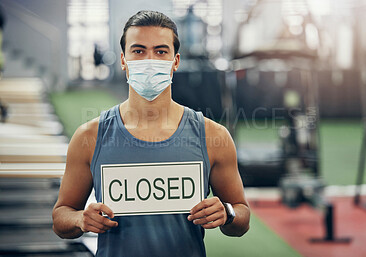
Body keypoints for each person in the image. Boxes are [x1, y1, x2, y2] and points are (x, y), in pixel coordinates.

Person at [52, 10, 250, 257]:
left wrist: (227, 212)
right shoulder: (88, 137)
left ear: (175, 61)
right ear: (123, 60)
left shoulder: (212, 136)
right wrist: (80, 219)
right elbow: (61, 217)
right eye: (138, 51)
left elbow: (242, 218)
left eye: (160, 51)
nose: (149, 60)